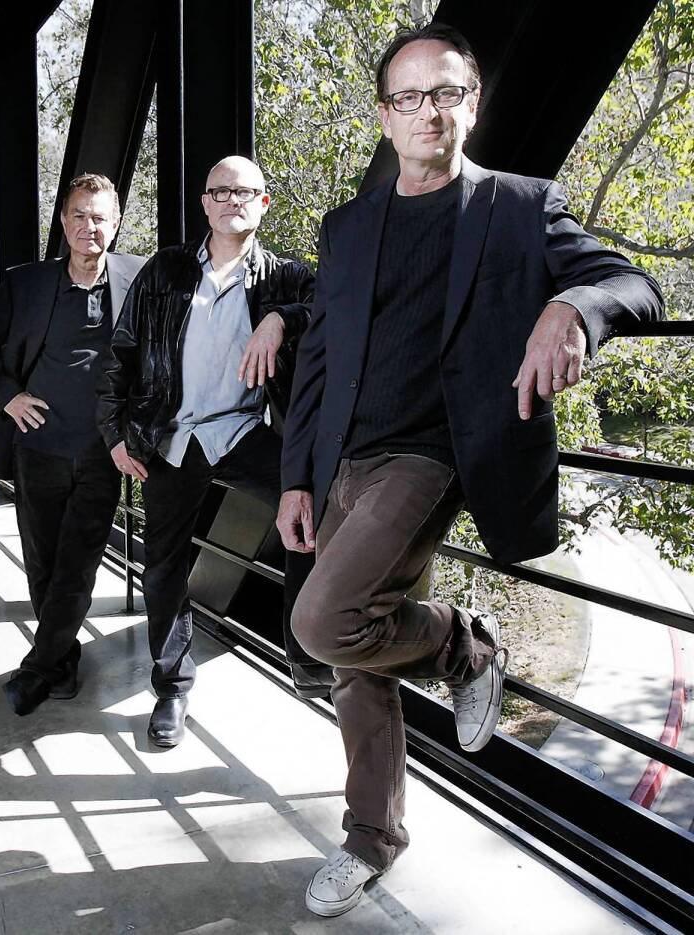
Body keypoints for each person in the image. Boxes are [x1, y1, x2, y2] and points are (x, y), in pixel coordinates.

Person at [277, 24, 664, 918]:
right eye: (409, 96)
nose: (429, 111)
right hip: (344, 460)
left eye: (446, 92)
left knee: (323, 619)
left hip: (434, 454)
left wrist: (569, 305)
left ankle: (461, 643)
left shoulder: (521, 206)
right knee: (353, 658)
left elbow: (633, 284)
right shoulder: (346, 227)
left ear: (473, 103)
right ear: (385, 115)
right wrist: (298, 476)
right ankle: (372, 838)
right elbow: (321, 361)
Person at [97, 155, 328, 748]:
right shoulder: (165, 272)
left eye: (244, 191)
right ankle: (172, 686)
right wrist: (115, 433)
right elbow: (120, 352)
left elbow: (331, 307)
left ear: (263, 204)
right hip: (170, 436)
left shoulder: (283, 278)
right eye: (219, 190)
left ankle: (305, 656)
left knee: (312, 510)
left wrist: (281, 317)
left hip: (242, 432)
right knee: (165, 565)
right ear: (204, 203)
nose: (231, 200)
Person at [0, 173, 146, 716]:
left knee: (79, 563)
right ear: (63, 220)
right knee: (42, 562)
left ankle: (39, 668)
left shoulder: (139, 279)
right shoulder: (26, 283)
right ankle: (61, 660)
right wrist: (8, 397)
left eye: (100, 217)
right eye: (79, 215)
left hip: (102, 449)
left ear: (115, 224)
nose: (89, 227)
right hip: (37, 444)